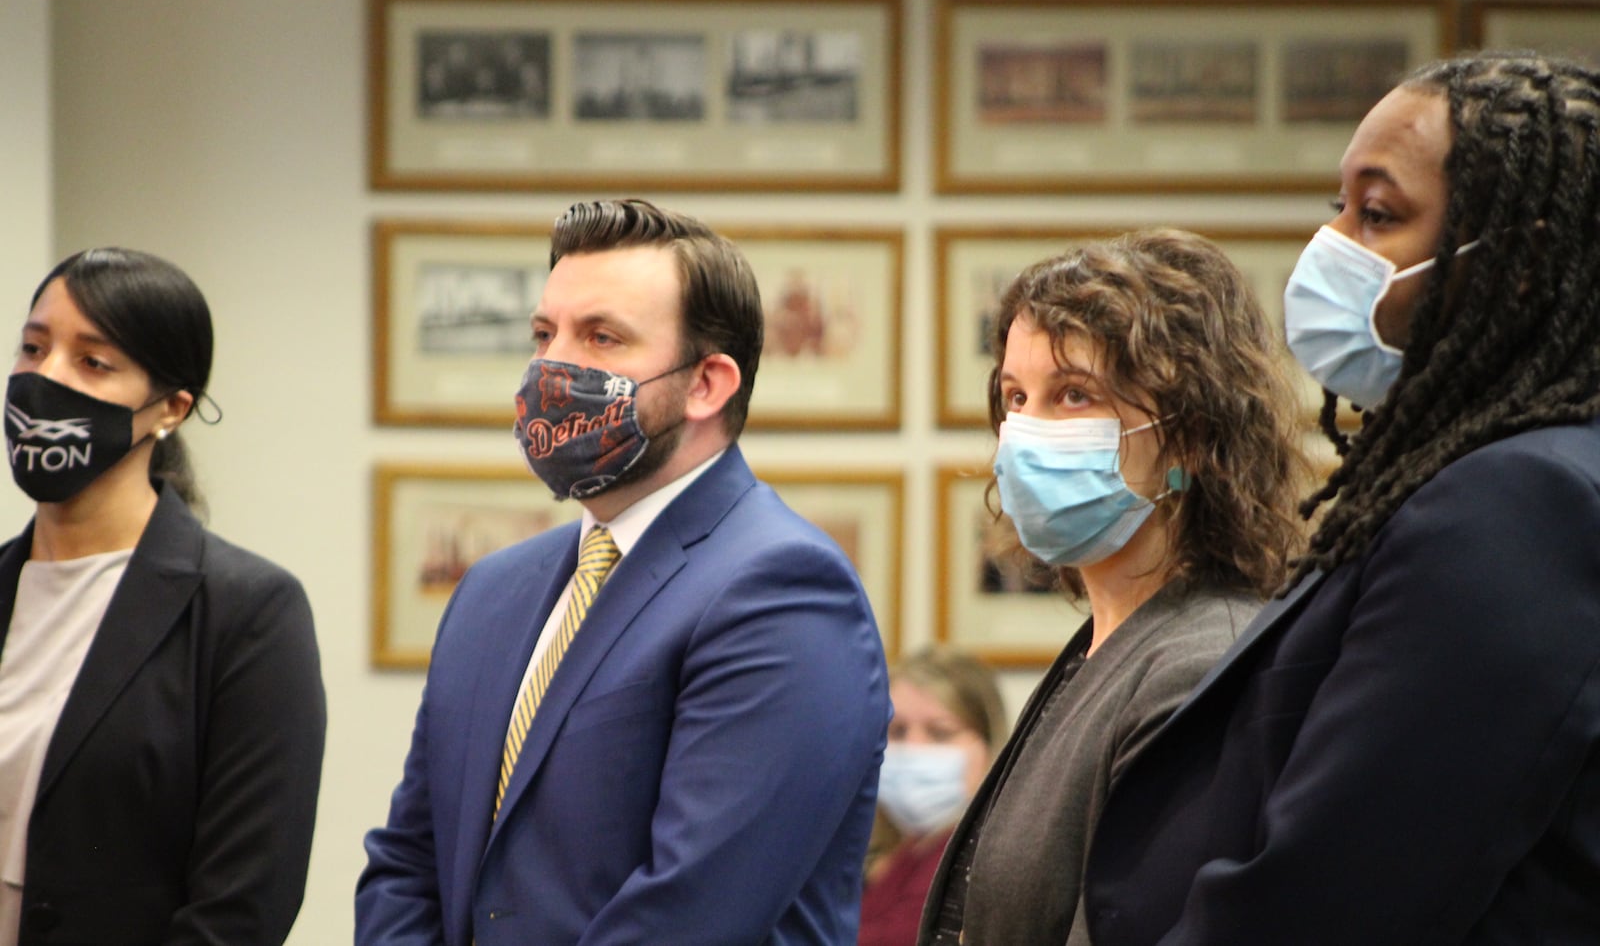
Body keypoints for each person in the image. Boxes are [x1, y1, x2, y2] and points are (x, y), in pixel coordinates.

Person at [1082, 53, 1600, 944]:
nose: (1333, 248)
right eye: (1340, 210)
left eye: (1380, 214)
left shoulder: (1517, 502)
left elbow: (1335, 893)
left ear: (1518, 262)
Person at [356, 199, 891, 945]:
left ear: (707, 383)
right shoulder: (492, 589)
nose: (553, 366)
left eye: (601, 337)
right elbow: (409, 861)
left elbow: (692, 911)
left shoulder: (782, 588)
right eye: (545, 334)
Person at [918, 228, 1309, 945]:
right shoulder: (1110, 639)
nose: (1026, 431)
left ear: (1188, 437)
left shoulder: (1200, 661)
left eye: (1074, 395)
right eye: (1015, 396)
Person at [0, 248, 325, 944]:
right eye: (33, 348)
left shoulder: (249, 613)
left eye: (93, 361)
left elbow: (244, 904)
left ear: (171, 407)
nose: (44, 376)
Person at [860, 647, 1007, 946]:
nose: (915, 748)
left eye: (940, 733)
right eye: (898, 732)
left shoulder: (979, 863)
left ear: (990, 746)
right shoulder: (907, 849)